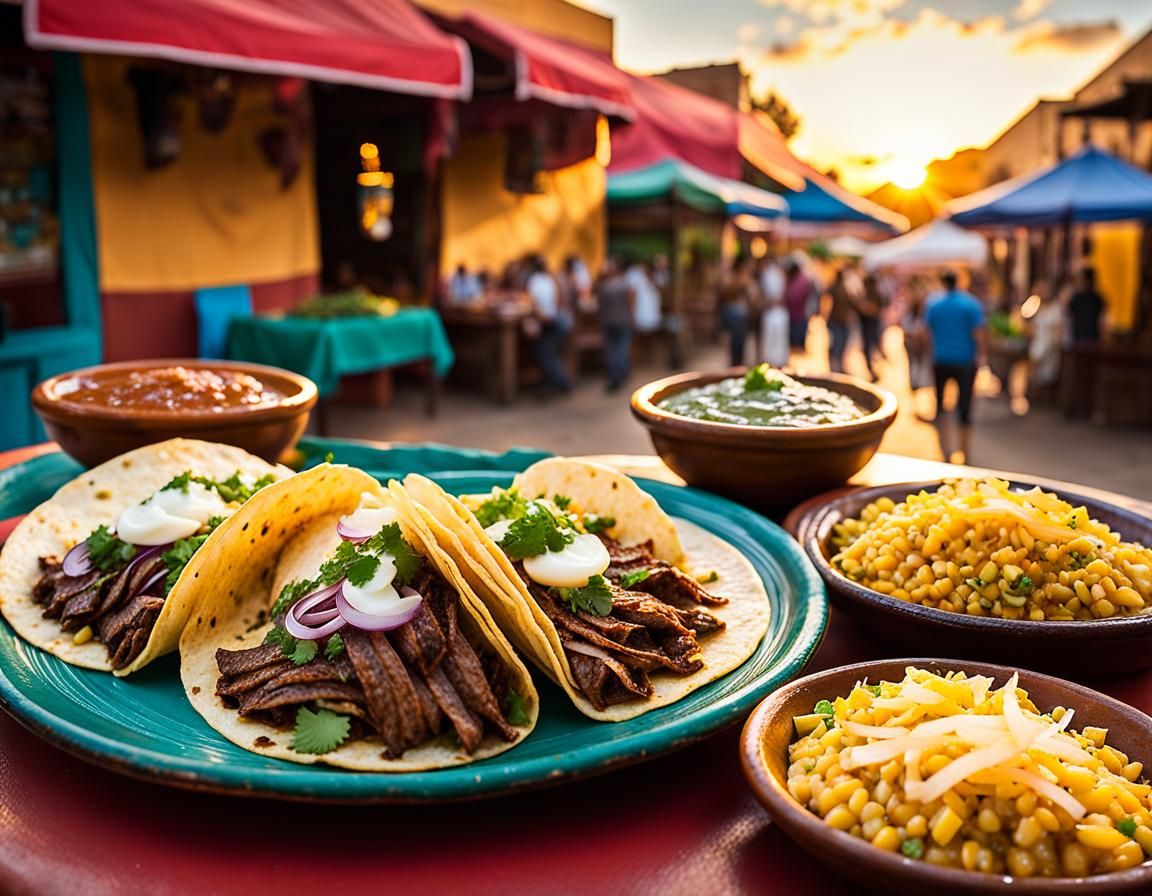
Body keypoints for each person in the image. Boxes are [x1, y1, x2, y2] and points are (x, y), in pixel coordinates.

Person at [924, 270, 986, 463]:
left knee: (941, 405)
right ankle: (965, 452)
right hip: (964, 361)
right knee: (965, 407)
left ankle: (945, 451)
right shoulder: (971, 304)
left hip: (940, 360)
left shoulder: (934, 303)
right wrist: (982, 356)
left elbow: (925, 332)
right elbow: (978, 333)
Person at [525, 255, 572, 395]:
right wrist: (554, 312)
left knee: (545, 353)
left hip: (549, 322)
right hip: (556, 320)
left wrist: (543, 316)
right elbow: (559, 298)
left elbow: (532, 302)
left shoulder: (534, 280)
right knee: (549, 353)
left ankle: (561, 383)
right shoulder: (551, 279)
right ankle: (554, 383)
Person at [595, 256, 635, 392]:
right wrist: (631, 317)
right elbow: (631, 302)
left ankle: (615, 375)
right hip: (623, 320)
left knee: (611, 350)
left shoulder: (603, 286)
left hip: (608, 321)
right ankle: (621, 374)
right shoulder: (624, 284)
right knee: (621, 349)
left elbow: (599, 305)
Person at [718, 257, 755, 367]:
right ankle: (735, 366)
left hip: (738, 315)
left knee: (738, 345)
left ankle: (737, 366)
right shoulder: (735, 278)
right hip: (735, 315)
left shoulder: (735, 278)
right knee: (735, 345)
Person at [824, 267, 857, 374]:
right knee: (837, 345)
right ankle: (835, 367)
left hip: (841, 321)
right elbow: (827, 302)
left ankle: (838, 366)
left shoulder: (844, 287)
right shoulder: (836, 288)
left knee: (841, 345)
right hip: (836, 321)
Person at [858, 272, 887, 381]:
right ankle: (872, 370)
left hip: (873, 325)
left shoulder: (876, 294)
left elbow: (877, 310)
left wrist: (867, 308)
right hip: (866, 326)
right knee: (868, 348)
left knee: (875, 347)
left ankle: (876, 369)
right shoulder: (864, 295)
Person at [783, 254, 814, 350]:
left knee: (796, 347)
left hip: (799, 318)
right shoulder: (796, 279)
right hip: (794, 317)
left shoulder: (802, 280)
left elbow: (793, 298)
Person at [1067, 266, 1105, 344]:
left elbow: (1101, 320)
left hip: (1088, 338)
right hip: (1082, 338)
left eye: (1081, 279)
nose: (1079, 282)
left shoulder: (1095, 298)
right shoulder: (1096, 297)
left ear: (1088, 281)